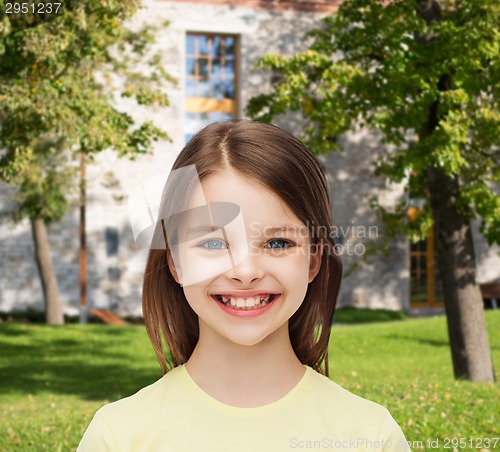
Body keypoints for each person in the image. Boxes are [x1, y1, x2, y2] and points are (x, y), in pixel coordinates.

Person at [78, 120, 410, 451]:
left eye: (278, 243)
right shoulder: (117, 436)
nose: (245, 271)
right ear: (175, 263)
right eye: (212, 243)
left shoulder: (373, 436)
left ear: (313, 260)